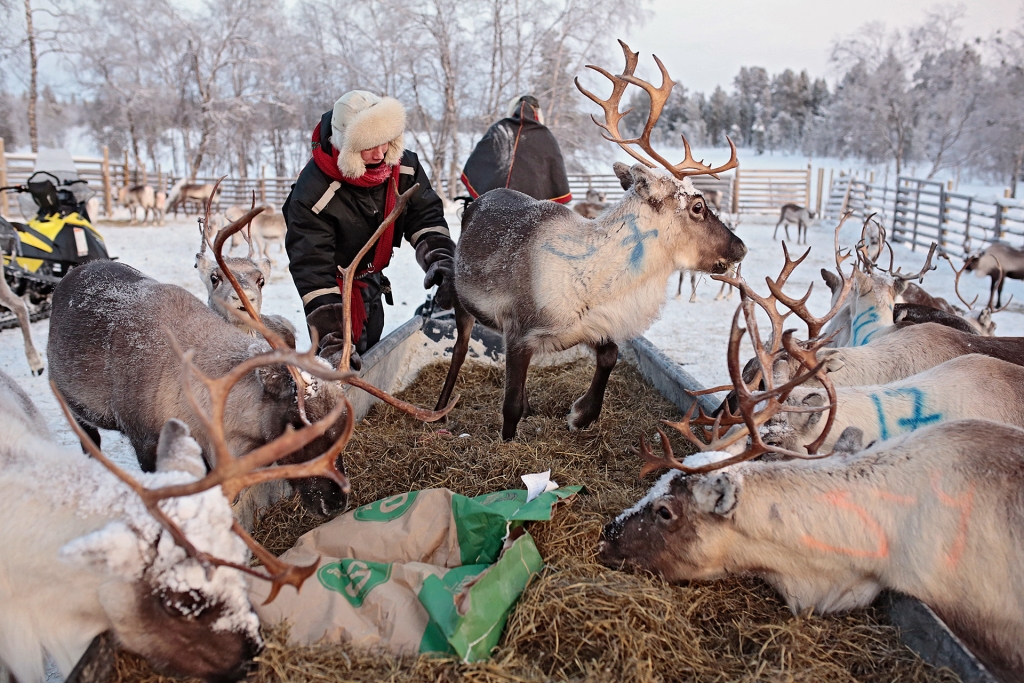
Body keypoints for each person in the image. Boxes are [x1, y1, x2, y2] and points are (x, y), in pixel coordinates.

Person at [284, 91, 455, 366]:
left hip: (372, 279)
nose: (380, 153)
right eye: (367, 145)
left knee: (372, 352)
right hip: (335, 292)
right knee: (342, 368)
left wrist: (441, 259)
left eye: (384, 141)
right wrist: (332, 338)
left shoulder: (403, 167)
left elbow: (424, 217)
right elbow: (312, 266)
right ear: (345, 145)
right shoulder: (313, 193)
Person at [460, 95, 572, 204]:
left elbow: (476, 164)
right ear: (537, 111)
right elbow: (556, 172)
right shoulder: (544, 135)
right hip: (531, 211)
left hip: (493, 207)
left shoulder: (499, 129)